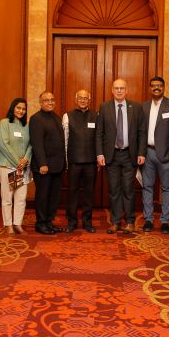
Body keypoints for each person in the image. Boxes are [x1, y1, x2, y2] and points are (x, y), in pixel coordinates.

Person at [96, 79, 147, 234]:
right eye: (116, 88)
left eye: (122, 88)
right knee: (114, 190)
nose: (119, 91)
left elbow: (142, 133)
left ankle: (130, 222)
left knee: (128, 190)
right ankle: (116, 222)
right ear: (112, 90)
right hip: (111, 156)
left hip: (129, 155)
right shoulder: (104, 107)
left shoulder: (136, 107)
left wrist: (141, 153)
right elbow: (99, 133)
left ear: (127, 90)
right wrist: (100, 153)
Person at [141, 77, 169, 234]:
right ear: (150, 88)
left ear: (164, 88)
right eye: (153, 86)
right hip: (147, 152)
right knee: (147, 187)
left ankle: (165, 221)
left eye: (159, 86)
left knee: (166, 188)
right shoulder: (143, 107)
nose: (156, 88)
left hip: (166, 154)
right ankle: (148, 220)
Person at [29, 91, 65, 234]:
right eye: (46, 100)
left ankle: (49, 222)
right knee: (43, 196)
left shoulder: (57, 118)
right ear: (40, 102)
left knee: (54, 197)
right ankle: (41, 223)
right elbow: (37, 144)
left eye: (52, 100)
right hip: (43, 167)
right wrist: (43, 163)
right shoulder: (36, 119)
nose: (50, 102)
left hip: (57, 166)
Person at [62, 89, 98, 233]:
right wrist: (65, 161)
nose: (83, 100)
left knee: (89, 194)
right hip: (74, 162)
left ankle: (87, 222)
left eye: (85, 98)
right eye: (80, 98)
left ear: (89, 100)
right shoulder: (67, 116)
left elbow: (98, 139)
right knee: (72, 193)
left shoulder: (96, 115)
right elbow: (64, 140)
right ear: (76, 99)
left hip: (91, 163)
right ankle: (72, 222)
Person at [0, 98, 32, 235]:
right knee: (7, 197)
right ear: (13, 108)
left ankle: (17, 223)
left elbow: (31, 145)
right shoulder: (5, 123)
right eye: (18, 108)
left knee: (21, 197)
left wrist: (25, 159)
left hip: (21, 168)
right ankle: (8, 225)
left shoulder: (26, 126)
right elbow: (4, 145)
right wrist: (18, 162)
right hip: (8, 166)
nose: (21, 111)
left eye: (23, 109)